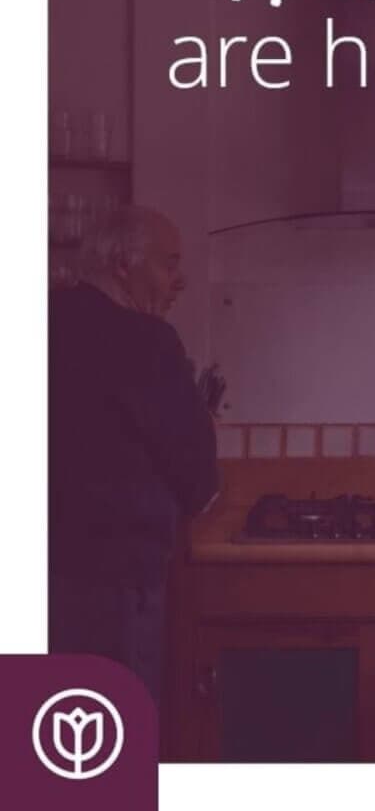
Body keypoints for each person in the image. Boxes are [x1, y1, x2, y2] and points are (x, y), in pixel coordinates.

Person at [49, 205, 219, 705]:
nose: (179, 280)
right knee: (108, 737)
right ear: (124, 264)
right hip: (114, 581)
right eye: (169, 263)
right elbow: (201, 485)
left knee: (48, 736)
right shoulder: (148, 342)